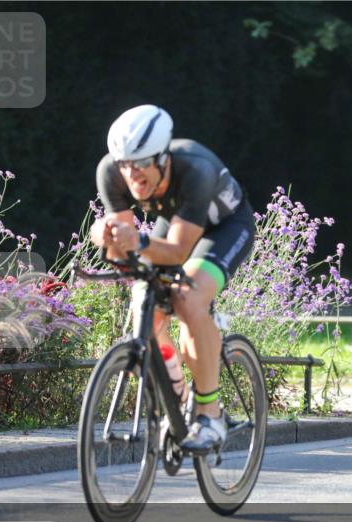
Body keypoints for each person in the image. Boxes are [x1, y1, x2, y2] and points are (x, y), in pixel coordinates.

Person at [89, 104, 256, 451]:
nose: (131, 174)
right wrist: (103, 235)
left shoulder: (196, 169)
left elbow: (178, 251)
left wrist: (139, 242)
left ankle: (210, 415)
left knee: (187, 298)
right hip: (178, 218)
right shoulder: (112, 172)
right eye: (124, 164)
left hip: (224, 226)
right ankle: (177, 394)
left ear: (164, 157)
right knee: (144, 312)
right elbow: (122, 244)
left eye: (141, 163)